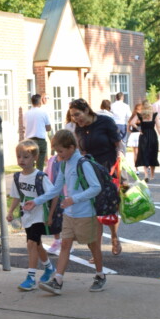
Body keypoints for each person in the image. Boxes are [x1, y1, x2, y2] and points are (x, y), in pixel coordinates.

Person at [25, 130, 106, 294]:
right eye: (56, 152)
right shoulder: (64, 164)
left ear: (71, 147)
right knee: (65, 245)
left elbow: (96, 187)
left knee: (93, 245)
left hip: (85, 214)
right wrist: (36, 201)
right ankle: (58, 280)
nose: (58, 155)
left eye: (61, 151)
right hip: (69, 214)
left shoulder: (83, 163)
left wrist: (74, 199)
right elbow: (55, 189)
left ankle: (100, 275)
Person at [69, 98, 123, 255]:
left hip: (109, 169)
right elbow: (81, 151)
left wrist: (119, 164)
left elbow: (118, 145)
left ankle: (114, 237)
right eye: (72, 116)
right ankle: (96, 251)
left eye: (77, 114)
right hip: (90, 172)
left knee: (110, 208)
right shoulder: (78, 129)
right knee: (92, 211)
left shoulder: (105, 122)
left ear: (86, 110)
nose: (75, 118)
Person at [6, 139, 56, 291]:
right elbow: (16, 196)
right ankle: (48, 267)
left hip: (39, 214)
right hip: (26, 214)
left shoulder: (40, 177)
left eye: (25, 157)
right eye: (19, 156)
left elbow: (53, 194)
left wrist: (50, 215)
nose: (21, 160)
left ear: (35, 158)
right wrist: (11, 212)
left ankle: (31, 277)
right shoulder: (17, 177)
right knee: (37, 243)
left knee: (31, 244)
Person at [128, 99, 160, 182]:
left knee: (144, 154)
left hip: (143, 135)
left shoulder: (140, 115)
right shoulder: (154, 115)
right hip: (152, 135)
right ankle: (152, 175)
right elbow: (159, 126)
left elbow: (132, 122)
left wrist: (139, 129)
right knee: (153, 154)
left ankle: (146, 175)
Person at [24, 94, 52, 171]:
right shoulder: (43, 113)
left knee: (30, 164)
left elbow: (24, 126)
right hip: (40, 140)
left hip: (29, 141)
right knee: (40, 165)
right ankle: (38, 180)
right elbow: (48, 128)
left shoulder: (26, 114)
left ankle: (30, 180)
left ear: (32, 102)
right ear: (40, 102)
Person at [112, 92, 132, 157]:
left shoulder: (112, 106)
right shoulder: (126, 106)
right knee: (123, 141)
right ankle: (123, 156)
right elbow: (129, 116)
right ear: (122, 97)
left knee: (115, 141)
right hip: (123, 124)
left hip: (114, 124)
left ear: (116, 98)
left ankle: (116, 156)